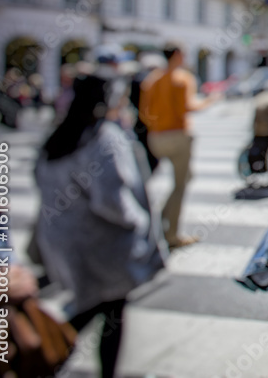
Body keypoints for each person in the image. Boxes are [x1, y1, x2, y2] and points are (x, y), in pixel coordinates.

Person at [35, 74, 164, 378]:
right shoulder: (103, 136)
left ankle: (52, 356)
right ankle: (44, 355)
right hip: (101, 245)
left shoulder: (59, 134)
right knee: (106, 306)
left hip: (61, 239)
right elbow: (111, 199)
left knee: (107, 306)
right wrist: (139, 221)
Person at [139, 43, 220, 249]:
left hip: (155, 136)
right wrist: (210, 100)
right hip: (177, 134)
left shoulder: (152, 79)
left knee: (183, 180)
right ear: (176, 55)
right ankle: (171, 233)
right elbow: (188, 107)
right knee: (181, 184)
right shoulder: (182, 78)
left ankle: (161, 217)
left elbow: (144, 112)